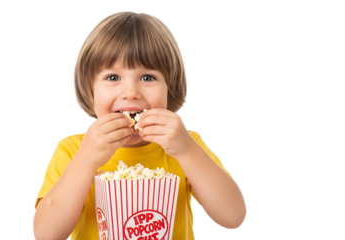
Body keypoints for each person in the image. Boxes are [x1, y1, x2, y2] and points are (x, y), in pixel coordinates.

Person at [33, 11, 247, 240]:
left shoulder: (187, 144)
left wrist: (186, 151)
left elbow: (233, 216)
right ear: (90, 87)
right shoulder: (72, 150)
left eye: (147, 77)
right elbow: (46, 235)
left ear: (170, 88)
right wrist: (86, 160)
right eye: (113, 77)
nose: (131, 93)